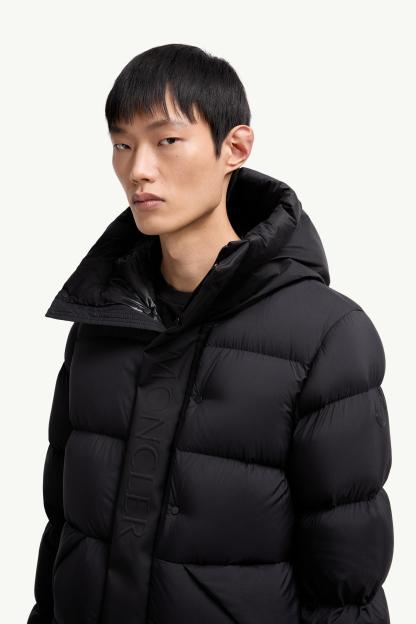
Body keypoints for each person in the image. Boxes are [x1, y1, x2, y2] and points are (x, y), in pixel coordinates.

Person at [27, 43, 394, 624]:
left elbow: (344, 590)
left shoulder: (328, 336)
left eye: (167, 140)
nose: (138, 169)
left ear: (235, 148)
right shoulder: (100, 321)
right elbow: (63, 533)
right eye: (122, 145)